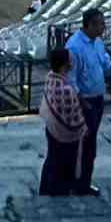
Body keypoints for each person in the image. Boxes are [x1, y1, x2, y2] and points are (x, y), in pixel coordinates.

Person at [64, 8, 111, 196]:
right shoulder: (74, 47)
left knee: (90, 145)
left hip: (97, 100)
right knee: (83, 145)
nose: (104, 27)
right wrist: (81, 102)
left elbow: (105, 63)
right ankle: (77, 183)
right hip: (84, 102)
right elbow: (71, 79)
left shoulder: (97, 42)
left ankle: (83, 181)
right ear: (89, 25)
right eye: (101, 23)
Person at [39, 44, 87, 196]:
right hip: (65, 134)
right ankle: (60, 191)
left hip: (51, 127)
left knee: (52, 158)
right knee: (64, 162)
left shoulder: (50, 77)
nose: (72, 63)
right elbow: (73, 117)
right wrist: (83, 127)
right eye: (70, 60)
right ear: (66, 64)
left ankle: (46, 188)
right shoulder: (65, 89)